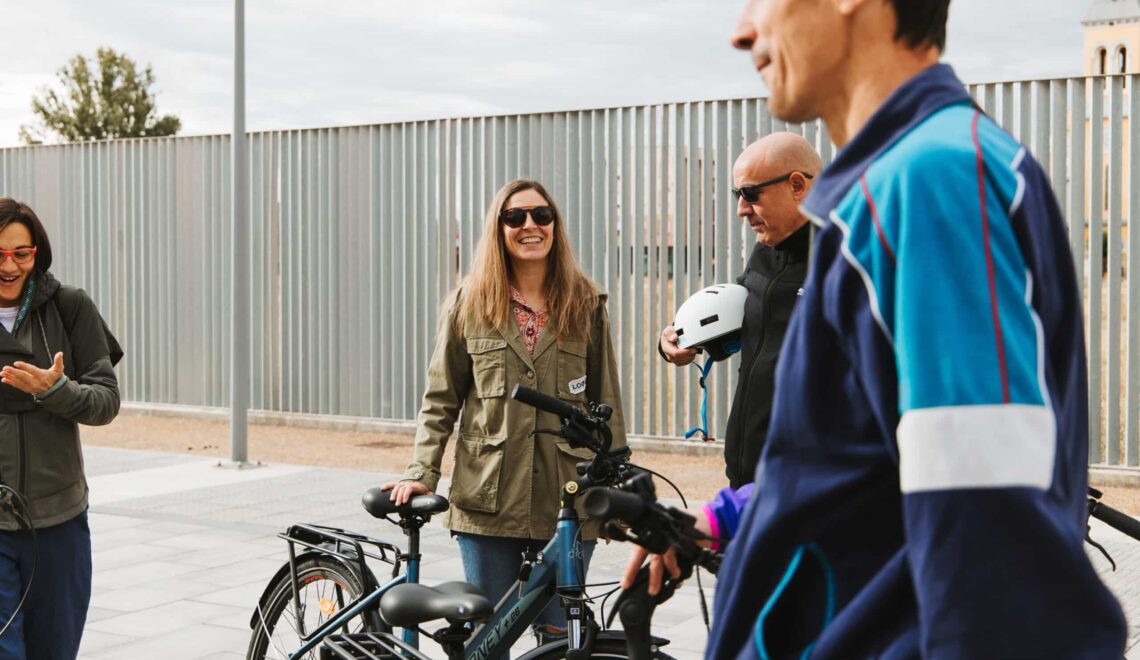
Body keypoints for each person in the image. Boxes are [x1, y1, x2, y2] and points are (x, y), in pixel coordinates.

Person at [687, 0, 1129, 657]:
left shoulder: (928, 181)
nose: (742, 30)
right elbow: (865, 475)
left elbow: (991, 547)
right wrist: (733, 515)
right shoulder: (895, 185)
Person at [382, 179, 627, 645]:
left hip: (566, 502)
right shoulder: (469, 304)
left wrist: (620, 488)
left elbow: (606, 406)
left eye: (541, 215)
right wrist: (422, 470)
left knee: (561, 638)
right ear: (499, 229)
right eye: (515, 217)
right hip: (486, 501)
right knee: (488, 640)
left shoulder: (586, 304)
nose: (530, 225)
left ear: (555, 226)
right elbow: (440, 401)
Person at [659, 132, 819, 488]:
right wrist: (675, 339)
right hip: (746, 480)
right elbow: (739, 318)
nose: (741, 210)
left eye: (750, 194)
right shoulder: (765, 252)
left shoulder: (850, 258)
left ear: (796, 185)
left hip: (809, 488)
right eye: (737, 195)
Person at [0, 198, 122, 660]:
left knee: (54, 651)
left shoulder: (70, 306)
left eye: (21, 253)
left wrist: (56, 391)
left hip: (58, 523)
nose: (9, 266)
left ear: (37, 253)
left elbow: (105, 402)